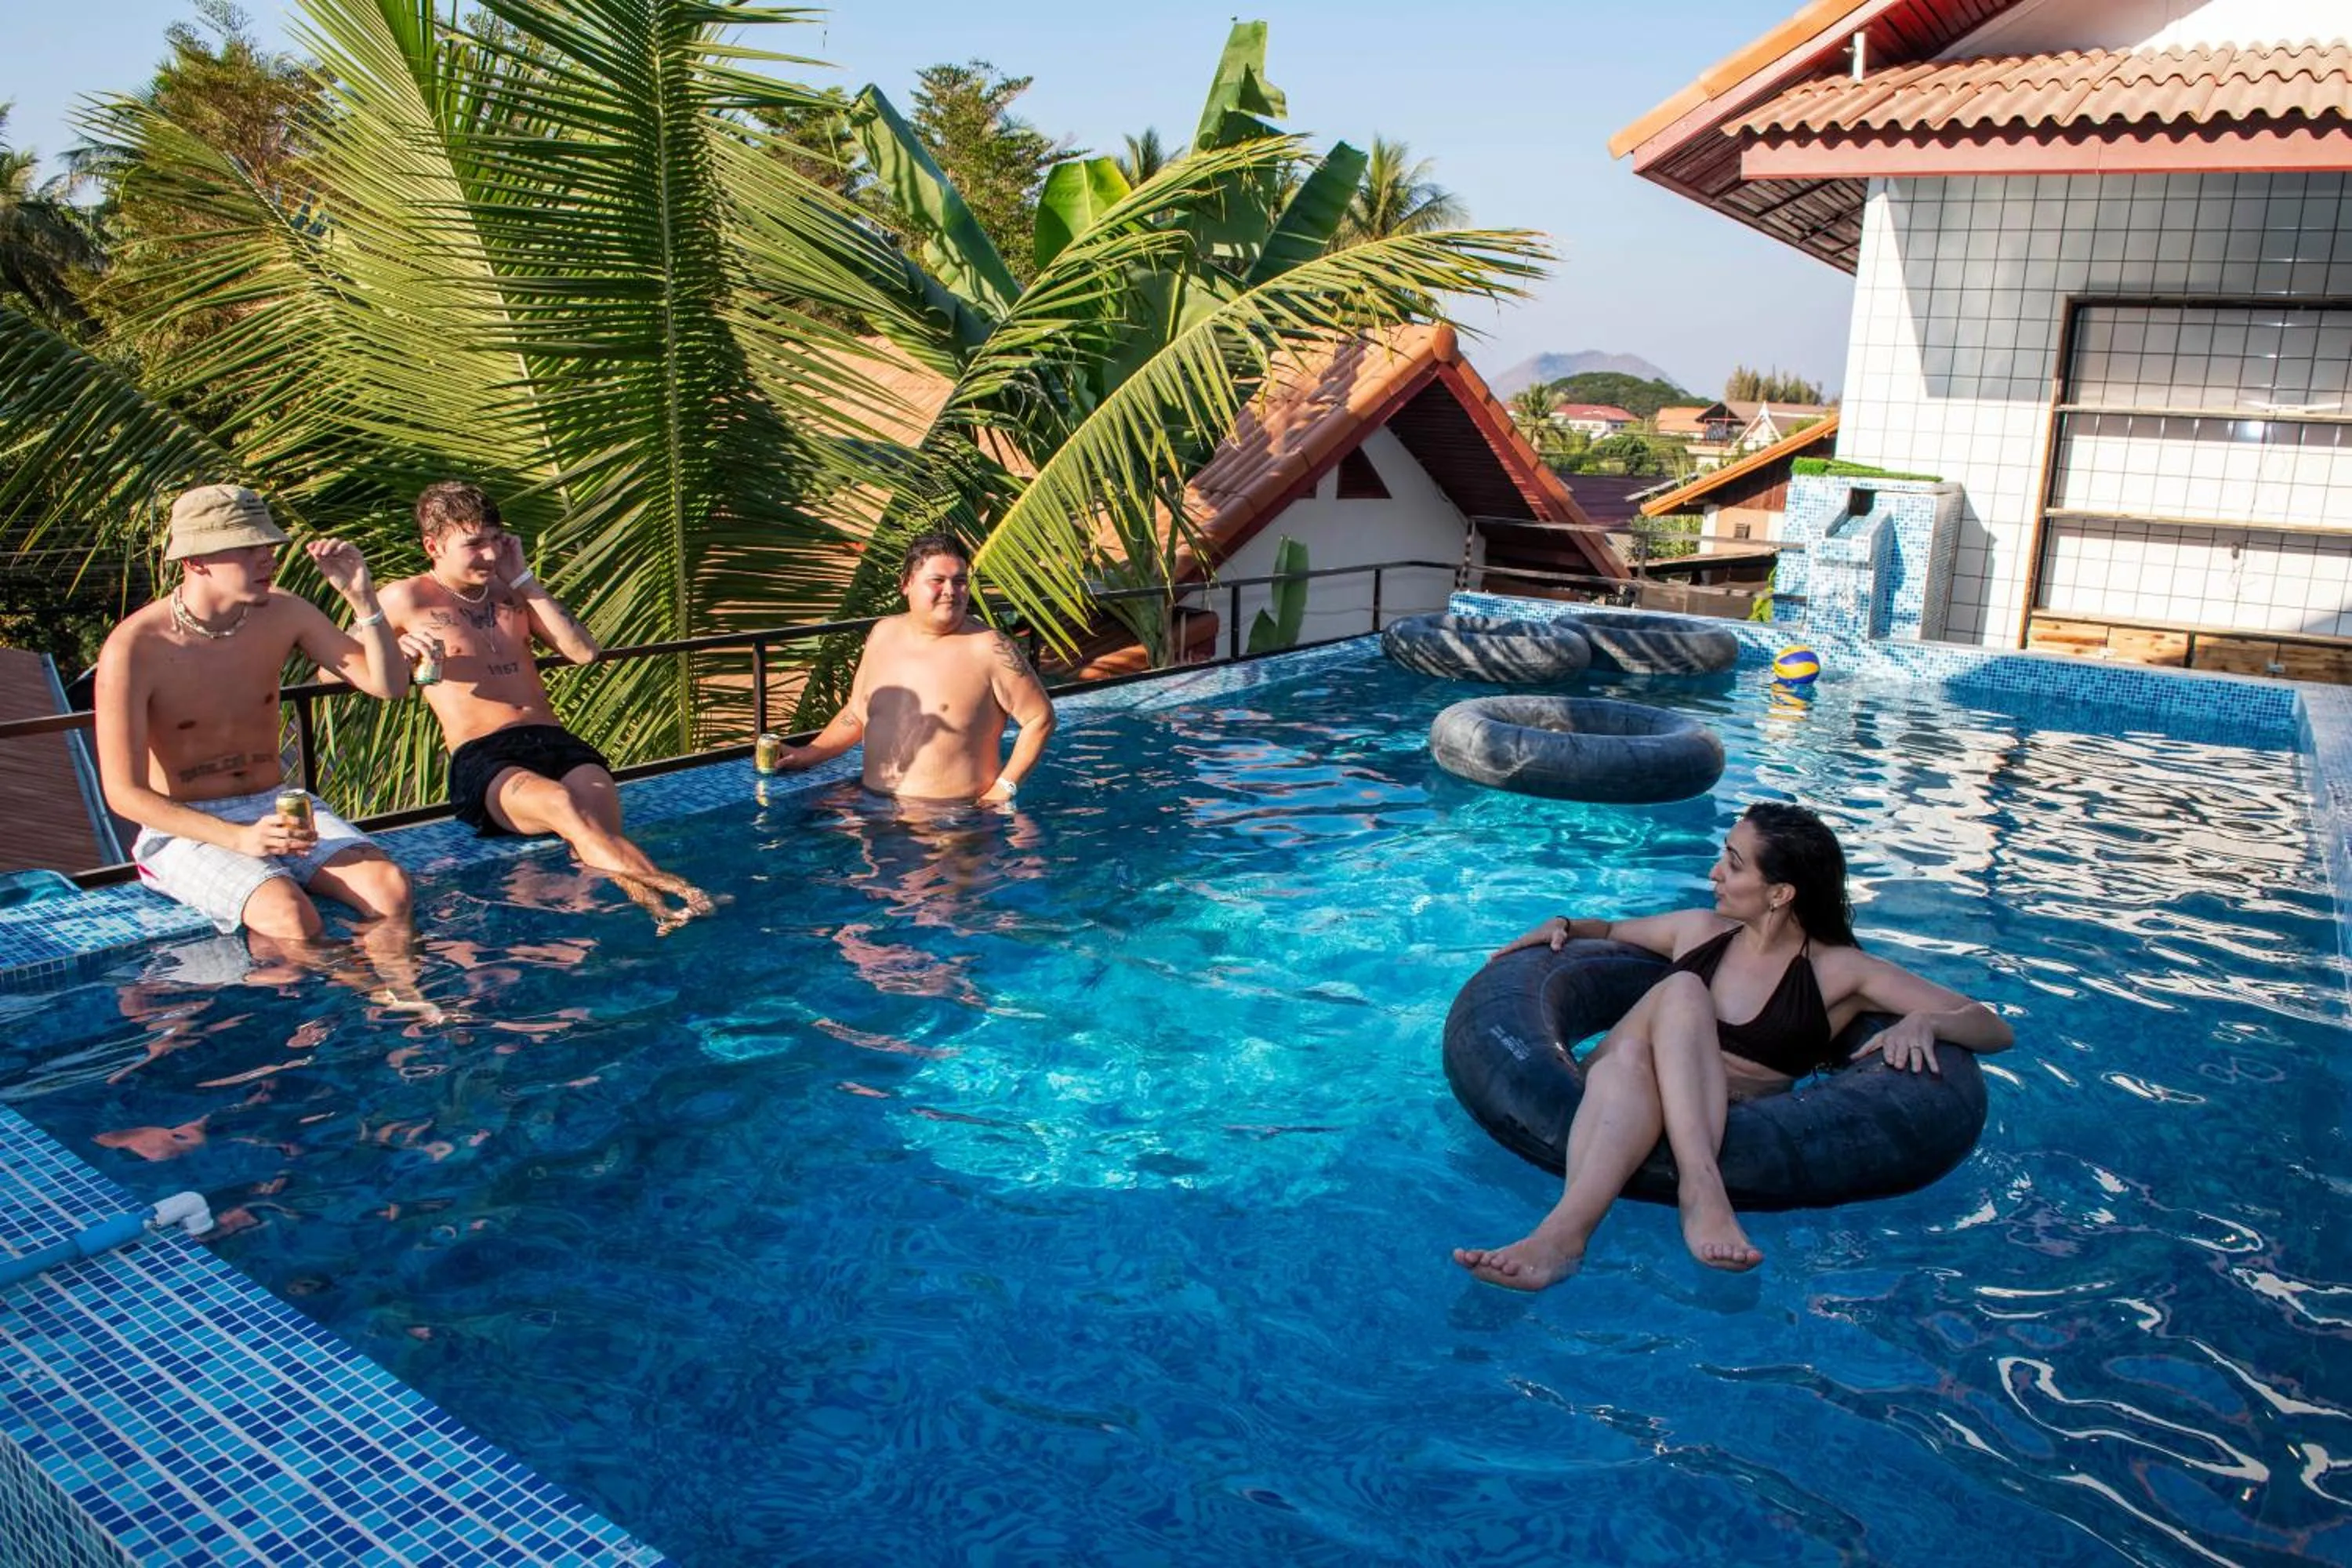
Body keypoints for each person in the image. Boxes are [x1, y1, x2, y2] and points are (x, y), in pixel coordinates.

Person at [1453, 802, 2012, 1290]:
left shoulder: (1840, 971)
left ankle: (1560, 1241)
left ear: (1781, 893)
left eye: (1734, 864)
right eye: (1724, 855)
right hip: (1619, 1088)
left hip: (1684, 1100)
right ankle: (1700, 1187)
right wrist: (1563, 922)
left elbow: (1991, 1026)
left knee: (1632, 1058)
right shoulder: (1697, 931)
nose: (1715, 872)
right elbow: (1606, 933)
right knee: (1681, 991)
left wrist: (1928, 1025)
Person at [94, 484, 417, 961]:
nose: (267, 558)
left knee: (391, 890)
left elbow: (388, 686)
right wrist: (239, 839)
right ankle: (357, 1005)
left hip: (276, 804)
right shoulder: (136, 647)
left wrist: (364, 602)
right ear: (195, 561)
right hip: (188, 825)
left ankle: (403, 1000)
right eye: (248, 548)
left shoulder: (284, 612)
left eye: (266, 545)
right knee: (291, 917)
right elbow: (123, 794)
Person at [377, 481, 710, 931]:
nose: (490, 555)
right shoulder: (406, 598)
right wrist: (399, 652)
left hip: (554, 742)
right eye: (474, 544)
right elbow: (336, 669)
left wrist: (524, 579)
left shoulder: (511, 590)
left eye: (495, 540)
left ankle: (661, 914)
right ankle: (684, 894)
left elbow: (582, 652)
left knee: (598, 826)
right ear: (433, 546)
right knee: (561, 803)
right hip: (485, 757)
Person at [771, 532, 1055, 804]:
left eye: (960, 581)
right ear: (906, 583)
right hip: (876, 807)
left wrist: (1003, 790)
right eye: (938, 580)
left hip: (957, 819)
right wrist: (809, 754)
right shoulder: (884, 634)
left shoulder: (990, 647)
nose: (951, 591)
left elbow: (1039, 719)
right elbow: (858, 711)